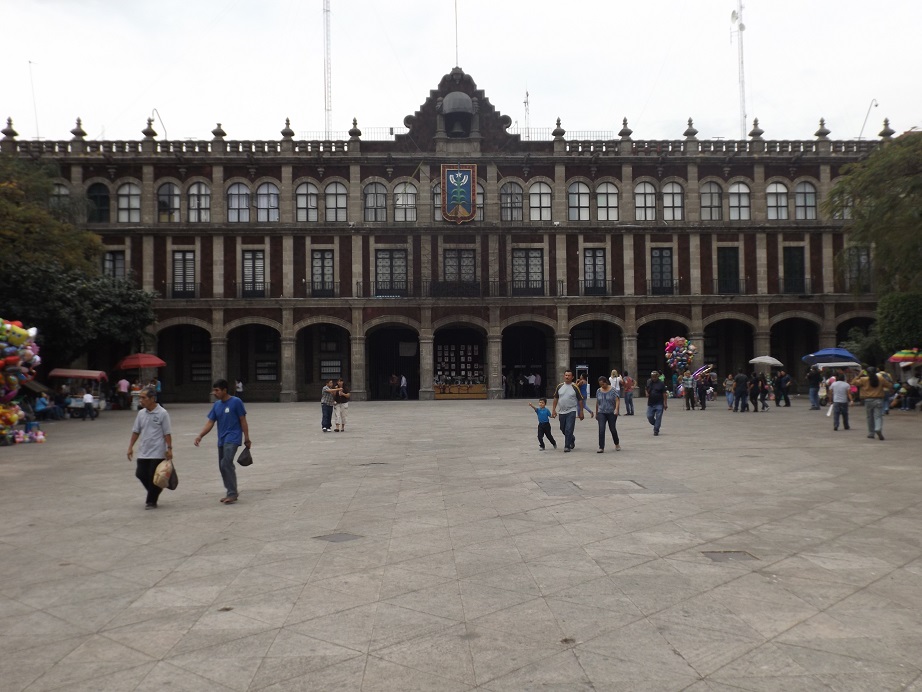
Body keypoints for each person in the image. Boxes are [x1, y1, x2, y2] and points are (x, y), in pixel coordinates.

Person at [194, 379, 251, 504]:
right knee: (222, 466)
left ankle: (232, 493)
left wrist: (246, 438)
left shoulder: (236, 402)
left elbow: (243, 420)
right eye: (214, 390)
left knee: (226, 462)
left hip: (233, 438)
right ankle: (230, 490)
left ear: (225, 390)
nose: (215, 393)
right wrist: (200, 435)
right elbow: (210, 422)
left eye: (217, 390)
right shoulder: (217, 405)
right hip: (222, 440)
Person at [126, 387, 173, 509]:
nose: (141, 400)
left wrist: (169, 449)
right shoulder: (141, 413)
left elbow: (167, 433)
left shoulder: (162, 413)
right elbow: (136, 431)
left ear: (152, 399)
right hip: (144, 450)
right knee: (140, 474)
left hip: (158, 451)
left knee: (153, 476)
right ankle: (155, 491)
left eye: (143, 398)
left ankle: (151, 501)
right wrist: (130, 447)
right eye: (140, 398)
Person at [851, 367, 891, 440]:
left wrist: (859, 375)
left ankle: (871, 433)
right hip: (878, 399)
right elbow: (889, 385)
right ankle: (878, 428)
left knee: (869, 417)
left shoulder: (863, 379)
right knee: (878, 416)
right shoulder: (880, 379)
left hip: (868, 400)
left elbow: (853, 383)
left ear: (867, 373)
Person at [552, 370, 583, 452]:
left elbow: (580, 400)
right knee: (563, 428)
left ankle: (567, 446)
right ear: (564, 376)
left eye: (569, 375)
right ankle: (571, 438)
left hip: (571, 410)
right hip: (561, 411)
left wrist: (581, 412)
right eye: (566, 375)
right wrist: (553, 410)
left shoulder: (575, 387)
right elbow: (555, 398)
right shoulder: (559, 386)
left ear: (572, 377)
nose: (567, 377)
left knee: (569, 428)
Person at [594, 376, 621, 453]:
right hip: (601, 412)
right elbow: (597, 402)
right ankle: (601, 447)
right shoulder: (598, 391)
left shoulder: (613, 390)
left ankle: (616, 443)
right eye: (600, 384)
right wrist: (596, 413)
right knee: (601, 429)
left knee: (612, 429)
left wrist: (616, 409)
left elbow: (617, 400)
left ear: (606, 382)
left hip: (611, 412)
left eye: (603, 384)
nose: (602, 386)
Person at [646, 370, 668, 436]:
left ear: (657, 376)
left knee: (658, 416)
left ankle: (656, 430)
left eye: (655, 377)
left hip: (659, 403)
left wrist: (665, 403)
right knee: (649, 416)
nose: (653, 378)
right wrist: (646, 393)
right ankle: (656, 424)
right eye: (652, 377)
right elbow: (646, 388)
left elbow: (664, 394)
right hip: (651, 403)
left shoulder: (661, 383)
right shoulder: (649, 382)